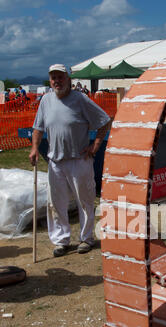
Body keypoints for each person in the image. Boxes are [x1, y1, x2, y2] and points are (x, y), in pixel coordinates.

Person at [29, 64, 110, 257]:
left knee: (85, 201)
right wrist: (34, 148)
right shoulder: (46, 101)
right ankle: (61, 240)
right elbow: (38, 128)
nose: (57, 81)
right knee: (56, 203)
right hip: (55, 161)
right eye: (53, 78)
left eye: (60, 77)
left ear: (68, 79)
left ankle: (86, 238)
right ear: (50, 80)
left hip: (79, 160)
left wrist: (95, 146)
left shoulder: (80, 99)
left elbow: (104, 121)